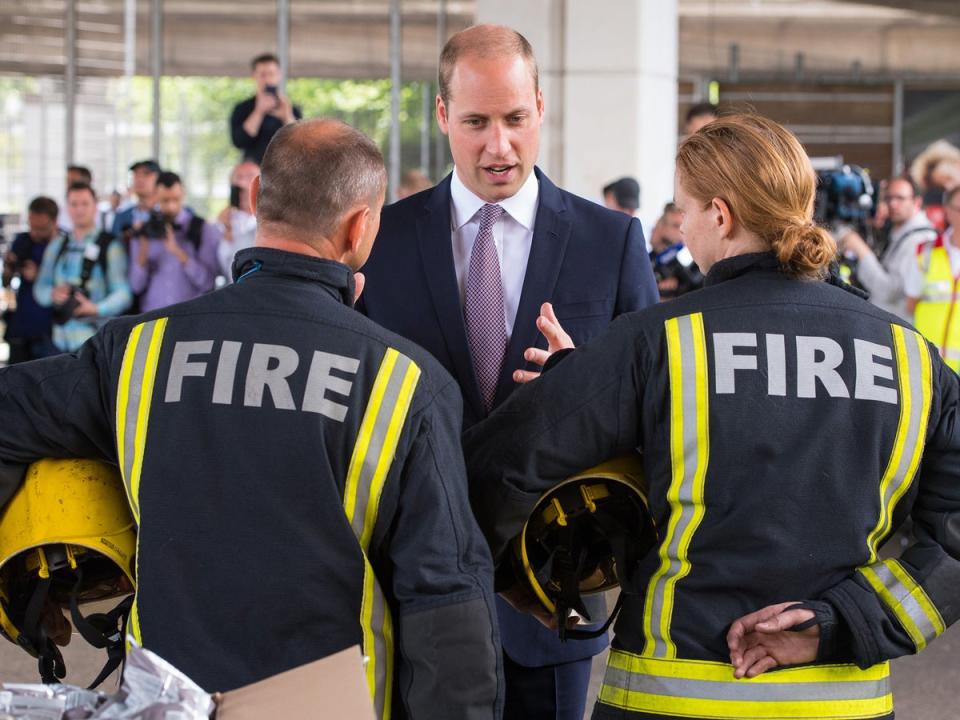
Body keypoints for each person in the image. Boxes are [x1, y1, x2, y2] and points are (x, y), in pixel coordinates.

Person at [463, 114, 960, 720]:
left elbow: (491, 467)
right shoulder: (911, 356)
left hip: (668, 700)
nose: (682, 227)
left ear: (720, 217)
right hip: (844, 707)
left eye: (685, 209)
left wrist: (526, 581)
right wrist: (842, 622)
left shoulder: (658, 344)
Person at [0, 119, 500, 719]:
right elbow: (446, 608)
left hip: (166, 706)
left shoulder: (136, 350)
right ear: (360, 226)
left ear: (259, 196)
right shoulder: (405, 383)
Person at [358, 23, 658, 720]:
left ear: (541, 109)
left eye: (516, 119)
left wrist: (586, 380)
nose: (499, 145)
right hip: (413, 592)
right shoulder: (381, 240)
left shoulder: (610, 241)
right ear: (442, 117)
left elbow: (655, 409)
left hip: (551, 597)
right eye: (476, 122)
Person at [33, 183, 131, 352]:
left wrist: (96, 308)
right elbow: (40, 287)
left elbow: (123, 293)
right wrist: (53, 294)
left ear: (95, 207)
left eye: (85, 204)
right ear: (67, 208)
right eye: (74, 204)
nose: (79, 210)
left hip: (95, 342)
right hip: (59, 341)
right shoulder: (57, 246)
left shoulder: (109, 246)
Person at [840, 176, 937, 320]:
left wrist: (860, 249)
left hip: (900, 331)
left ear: (917, 202)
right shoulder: (899, 232)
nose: (893, 204)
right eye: (889, 198)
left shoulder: (919, 240)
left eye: (900, 198)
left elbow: (889, 292)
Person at [129, 171, 221, 312]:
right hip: (152, 316)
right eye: (165, 200)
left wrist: (178, 252)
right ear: (155, 197)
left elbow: (208, 283)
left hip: (190, 316)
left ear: (183, 195)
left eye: (176, 199)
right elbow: (136, 286)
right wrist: (143, 251)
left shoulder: (201, 229)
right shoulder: (144, 231)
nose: (171, 206)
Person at [905, 185, 960, 370]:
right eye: (958, 209)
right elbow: (910, 305)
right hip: (929, 367)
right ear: (947, 210)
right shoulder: (926, 252)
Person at [1, 197, 58, 362]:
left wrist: (40, 275)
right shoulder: (23, 241)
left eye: (40, 228)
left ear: (54, 222)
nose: (35, 233)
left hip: (50, 329)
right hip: (21, 324)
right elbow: (6, 282)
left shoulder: (64, 245)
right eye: (32, 226)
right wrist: (9, 267)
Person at [230, 53, 302, 164]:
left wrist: (287, 116)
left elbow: (299, 143)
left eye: (271, 74)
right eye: (263, 75)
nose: (268, 79)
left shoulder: (291, 109)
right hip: (253, 172)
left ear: (279, 75)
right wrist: (258, 112)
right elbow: (239, 142)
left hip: (283, 170)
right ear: (254, 75)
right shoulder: (242, 108)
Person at [649, 201, 703, 299]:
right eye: (676, 226)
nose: (680, 232)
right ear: (661, 226)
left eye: (683, 225)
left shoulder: (695, 262)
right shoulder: (649, 261)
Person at [216, 159, 260, 279]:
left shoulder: (271, 219)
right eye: (239, 177)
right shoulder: (222, 223)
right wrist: (227, 232)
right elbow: (221, 267)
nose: (243, 183)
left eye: (250, 176)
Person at [112, 159, 161, 239]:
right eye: (136, 174)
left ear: (159, 179)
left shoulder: (170, 214)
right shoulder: (121, 217)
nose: (139, 179)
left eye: (146, 174)